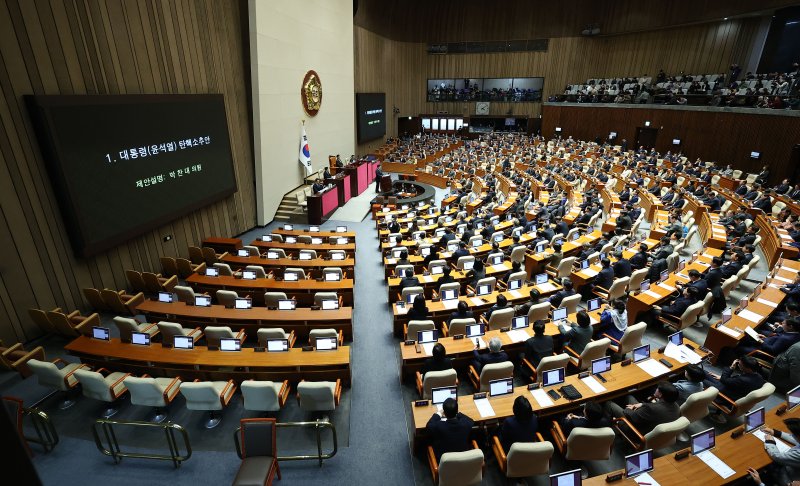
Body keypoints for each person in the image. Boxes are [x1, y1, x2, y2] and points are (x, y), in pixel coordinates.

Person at [604, 381, 681, 435]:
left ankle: (606, 428)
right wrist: (642, 404)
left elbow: (632, 416)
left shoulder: (652, 408)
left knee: (609, 404)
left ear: (660, 395)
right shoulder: (676, 406)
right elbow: (650, 408)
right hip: (650, 424)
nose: (656, 389)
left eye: (657, 389)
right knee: (629, 396)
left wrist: (629, 409)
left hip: (635, 430)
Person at [705, 356, 765, 420]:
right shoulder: (759, 377)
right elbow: (733, 382)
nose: (738, 365)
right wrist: (722, 378)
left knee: (701, 378)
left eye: (740, 364)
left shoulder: (743, 380)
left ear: (748, 368)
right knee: (706, 373)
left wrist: (731, 367)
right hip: (732, 390)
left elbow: (726, 380)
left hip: (723, 395)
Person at [761, 418, 800, 485]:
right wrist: (776, 433)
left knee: (764, 461)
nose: (792, 435)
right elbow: (795, 439)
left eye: (794, 434)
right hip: (792, 468)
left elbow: (777, 457)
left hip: (789, 477)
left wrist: (770, 442)